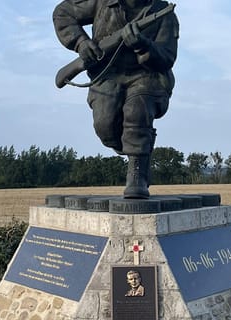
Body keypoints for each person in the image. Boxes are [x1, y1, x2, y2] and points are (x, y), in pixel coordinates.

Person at [53, 0, 179, 199]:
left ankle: (137, 170)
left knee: (137, 110)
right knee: (105, 126)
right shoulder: (101, 2)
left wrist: (143, 46)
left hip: (147, 76)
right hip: (107, 76)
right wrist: (81, 43)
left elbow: (166, 58)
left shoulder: (163, 13)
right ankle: (138, 151)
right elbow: (63, 13)